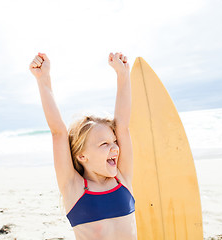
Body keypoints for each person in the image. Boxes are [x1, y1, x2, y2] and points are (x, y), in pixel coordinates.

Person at [29, 52, 137, 240]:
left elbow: (123, 126)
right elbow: (58, 132)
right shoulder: (74, 188)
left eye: (114, 142)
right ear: (82, 156)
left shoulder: (122, 178)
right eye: (104, 143)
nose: (115, 147)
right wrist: (43, 78)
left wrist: (123, 75)